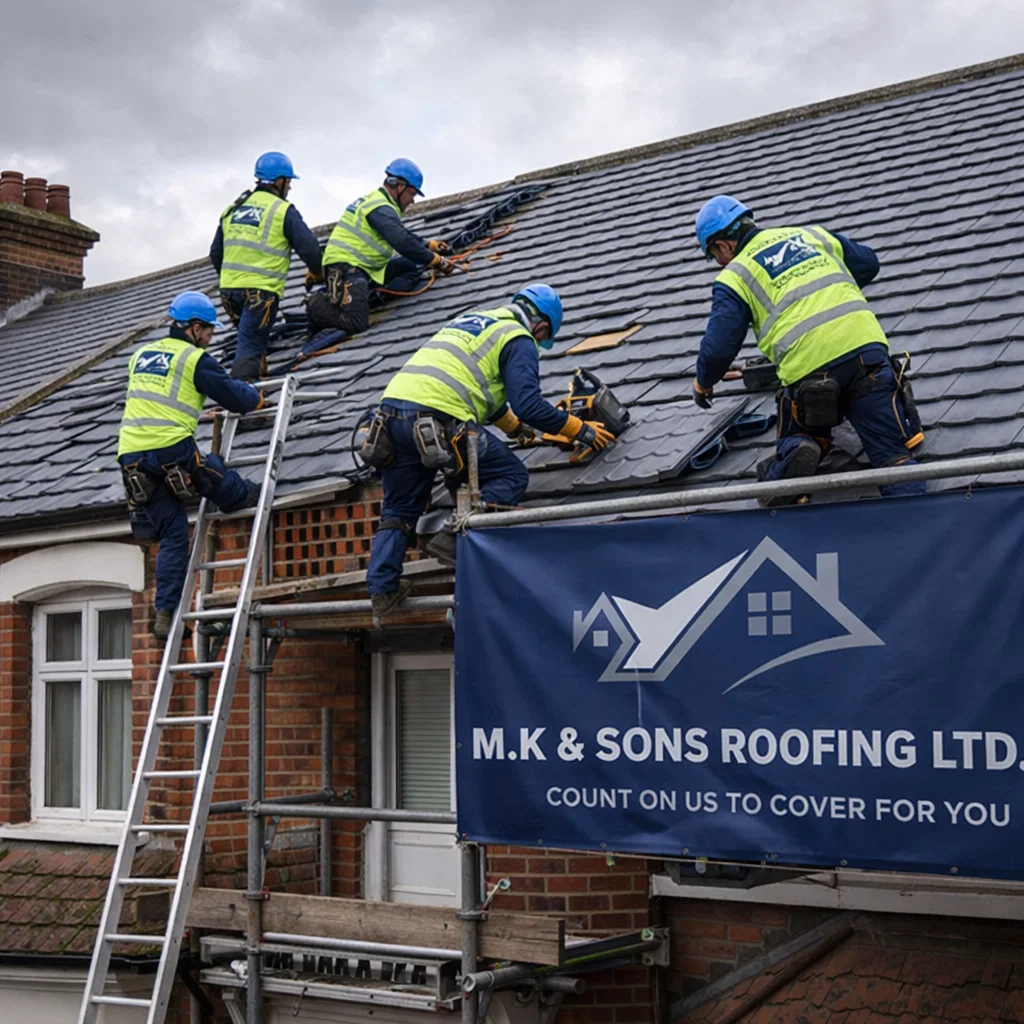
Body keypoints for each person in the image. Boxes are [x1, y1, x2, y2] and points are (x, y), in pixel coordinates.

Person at [364, 283, 614, 616]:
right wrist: (579, 429)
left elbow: (483, 390)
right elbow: (528, 404)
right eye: (543, 337)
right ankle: (455, 536)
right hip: (440, 418)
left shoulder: (476, 321)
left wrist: (516, 430)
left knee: (399, 507)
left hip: (390, 416)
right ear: (541, 325)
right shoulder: (519, 337)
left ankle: (382, 591)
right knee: (511, 475)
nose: (539, 342)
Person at [691, 195, 924, 506]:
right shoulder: (811, 235)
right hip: (866, 354)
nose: (720, 262)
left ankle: (803, 446)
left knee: (798, 432)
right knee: (893, 456)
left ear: (722, 245)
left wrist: (703, 382)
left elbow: (719, 347)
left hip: (810, 371)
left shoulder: (735, 275)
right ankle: (918, 518)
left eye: (714, 255)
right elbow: (869, 263)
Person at [117, 291, 264, 638]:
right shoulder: (193, 358)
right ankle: (245, 494)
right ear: (194, 327)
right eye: (209, 331)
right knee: (211, 474)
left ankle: (166, 616)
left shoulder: (140, 355)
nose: (211, 338)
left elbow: (154, 401)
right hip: (170, 449)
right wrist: (256, 399)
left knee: (172, 532)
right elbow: (233, 395)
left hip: (132, 457)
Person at [301, 159, 455, 360]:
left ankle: (369, 297)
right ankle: (316, 304)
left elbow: (401, 235)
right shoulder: (379, 207)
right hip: (346, 268)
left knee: (410, 267)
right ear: (398, 185)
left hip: (367, 270)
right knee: (357, 322)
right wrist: (436, 261)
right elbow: (401, 241)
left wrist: (428, 245)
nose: (412, 201)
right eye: (412, 193)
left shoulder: (381, 205)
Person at [210, 151, 323, 381]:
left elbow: (215, 254)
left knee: (250, 339)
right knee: (250, 347)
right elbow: (310, 248)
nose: (289, 187)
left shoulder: (233, 209)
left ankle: (257, 375)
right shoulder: (281, 210)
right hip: (260, 294)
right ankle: (243, 395)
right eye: (288, 182)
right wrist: (318, 273)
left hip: (229, 293)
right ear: (279, 181)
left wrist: (233, 279)